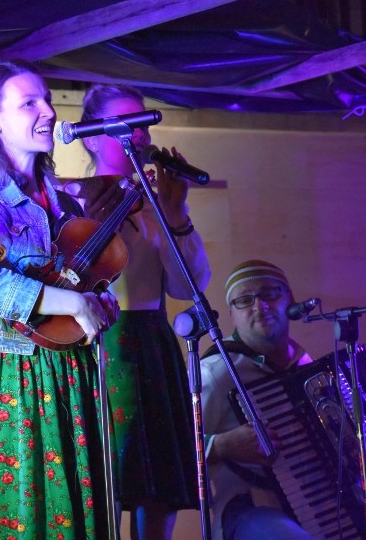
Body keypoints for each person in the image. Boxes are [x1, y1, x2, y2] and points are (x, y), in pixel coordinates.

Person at [0, 59, 119, 539]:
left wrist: (101, 303)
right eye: (29, 103)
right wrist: (66, 303)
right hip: (14, 378)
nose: (48, 111)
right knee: (24, 512)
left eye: (46, 99)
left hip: (73, 373)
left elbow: (92, 285)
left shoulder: (64, 203)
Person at [70, 83, 211, 539]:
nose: (138, 136)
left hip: (151, 338)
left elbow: (189, 286)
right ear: (92, 137)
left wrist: (176, 213)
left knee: (159, 480)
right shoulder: (72, 198)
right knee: (107, 476)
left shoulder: (156, 201)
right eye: (123, 125)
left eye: (143, 124)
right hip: (97, 339)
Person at [200, 260, 312, 540]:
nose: (259, 306)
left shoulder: (308, 367)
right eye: (244, 300)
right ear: (231, 315)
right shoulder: (216, 372)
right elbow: (166, 453)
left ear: (292, 300)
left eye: (270, 294)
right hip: (249, 510)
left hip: (318, 503)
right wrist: (221, 446)